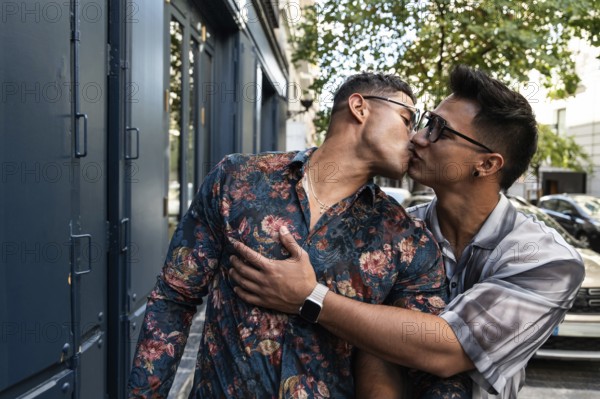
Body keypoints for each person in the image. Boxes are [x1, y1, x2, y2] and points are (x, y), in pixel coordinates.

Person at [229, 65, 586, 398]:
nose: (416, 137)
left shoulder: (549, 260)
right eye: (423, 123)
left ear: (487, 164)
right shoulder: (394, 229)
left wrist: (310, 297)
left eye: (438, 130)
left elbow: (450, 349)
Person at [128, 72, 453, 398]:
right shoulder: (237, 178)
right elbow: (174, 299)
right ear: (359, 107)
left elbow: (425, 358)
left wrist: (312, 300)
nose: (415, 137)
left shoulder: (409, 241)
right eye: (406, 119)